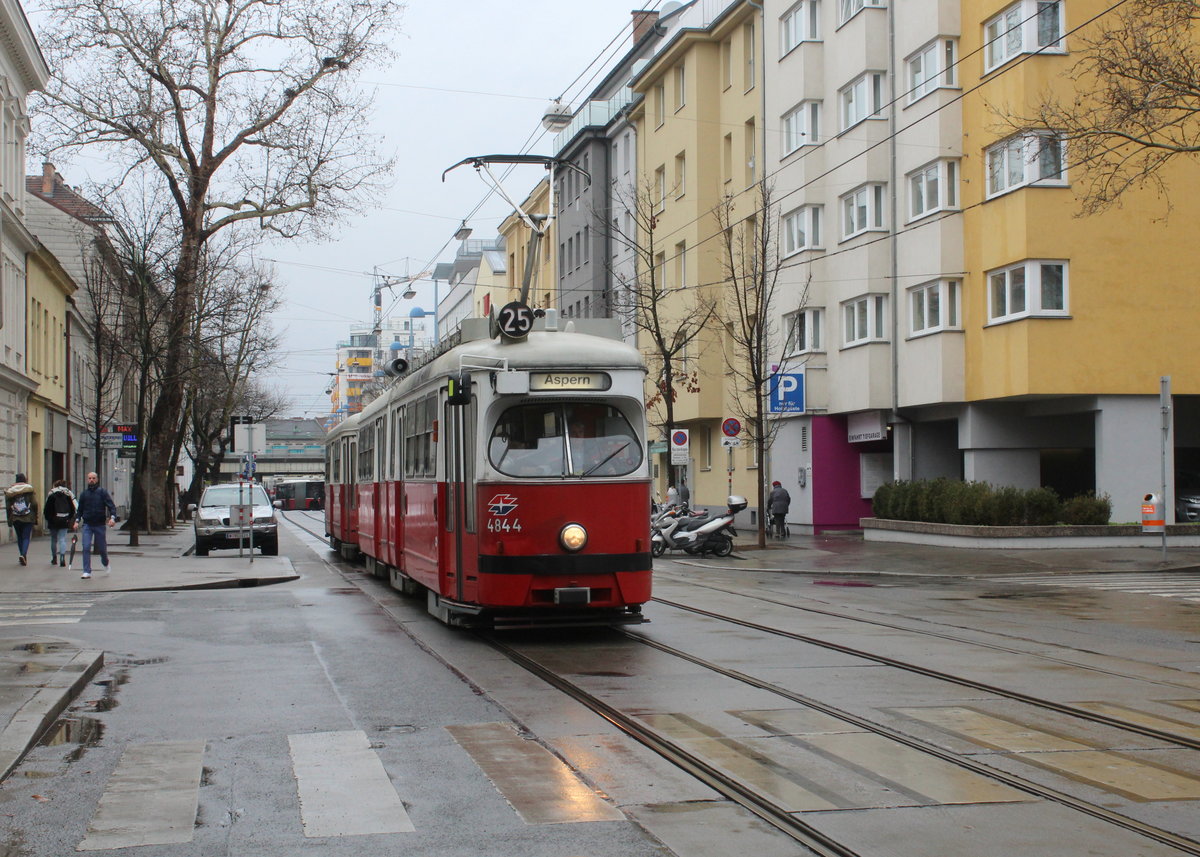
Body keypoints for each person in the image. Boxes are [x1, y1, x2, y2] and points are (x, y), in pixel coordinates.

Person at [74, 471, 117, 580]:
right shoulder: (84, 494)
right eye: (89, 478)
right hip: (87, 524)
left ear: (97, 480)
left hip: (99, 524)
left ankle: (105, 562)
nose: (91, 480)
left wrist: (112, 518)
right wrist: (77, 521)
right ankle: (86, 571)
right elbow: (80, 510)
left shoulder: (102, 492)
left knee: (102, 549)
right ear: (87, 480)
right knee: (86, 547)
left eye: (93, 478)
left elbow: (111, 506)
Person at [5, 474, 38, 566]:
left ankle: (21, 555)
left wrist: (9, 520)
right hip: (28, 517)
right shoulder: (29, 489)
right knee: (26, 537)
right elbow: (35, 503)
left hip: (16, 518)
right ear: (25, 480)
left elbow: (8, 507)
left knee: (20, 537)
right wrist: (35, 515)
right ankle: (23, 555)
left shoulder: (10, 491)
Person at [43, 480, 77, 567]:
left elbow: (46, 510)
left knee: (54, 540)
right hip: (64, 520)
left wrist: (49, 519)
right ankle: (62, 557)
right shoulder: (67, 495)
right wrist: (68, 519)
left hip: (53, 521)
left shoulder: (51, 495)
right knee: (62, 539)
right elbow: (73, 509)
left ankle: (54, 558)